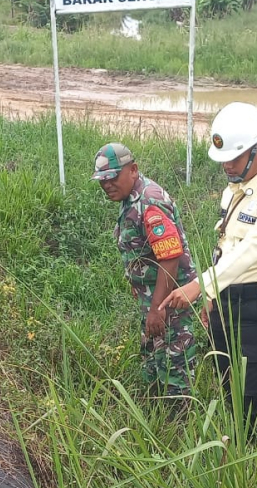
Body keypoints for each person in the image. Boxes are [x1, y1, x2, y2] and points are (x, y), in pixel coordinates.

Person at [159, 102, 257, 453]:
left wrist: (198, 286)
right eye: (223, 159)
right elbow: (225, 248)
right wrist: (211, 297)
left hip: (256, 307)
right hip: (226, 300)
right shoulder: (234, 191)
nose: (226, 166)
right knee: (230, 384)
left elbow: (246, 255)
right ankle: (243, 454)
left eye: (234, 159)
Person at [91, 142, 199, 401]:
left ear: (133, 170)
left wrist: (157, 309)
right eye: (102, 181)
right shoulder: (130, 198)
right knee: (153, 359)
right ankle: (156, 412)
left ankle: (178, 423)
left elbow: (170, 258)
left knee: (175, 364)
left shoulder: (150, 201)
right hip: (154, 297)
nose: (107, 185)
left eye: (113, 178)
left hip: (171, 299)